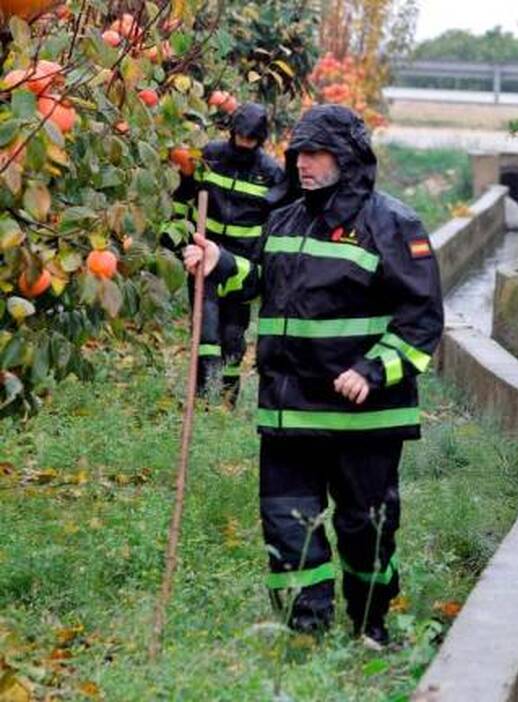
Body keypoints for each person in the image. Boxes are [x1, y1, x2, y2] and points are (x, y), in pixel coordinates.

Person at [182, 105, 444, 646]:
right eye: (298, 153)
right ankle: (307, 634)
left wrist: (373, 371)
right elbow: (261, 281)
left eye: (317, 153)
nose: (303, 163)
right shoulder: (283, 220)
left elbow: (421, 320)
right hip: (288, 412)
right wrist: (220, 263)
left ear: (347, 158)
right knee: (286, 524)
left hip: (363, 420)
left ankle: (371, 625)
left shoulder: (393, 225)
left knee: (364, 530)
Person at [164, 103, 287, 404]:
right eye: (240, 137)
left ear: (260, 139)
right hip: (204, 257)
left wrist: (264, 263)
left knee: (232, 335)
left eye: (250, 139)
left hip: (240, 265)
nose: (244, 143)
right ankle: (202, 398)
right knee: (205, 331)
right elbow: (182, 196)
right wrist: (176, 239)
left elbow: (279, 221)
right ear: (232, 132)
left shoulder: (271, 173)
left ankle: (227, 399)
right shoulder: (209, 156)